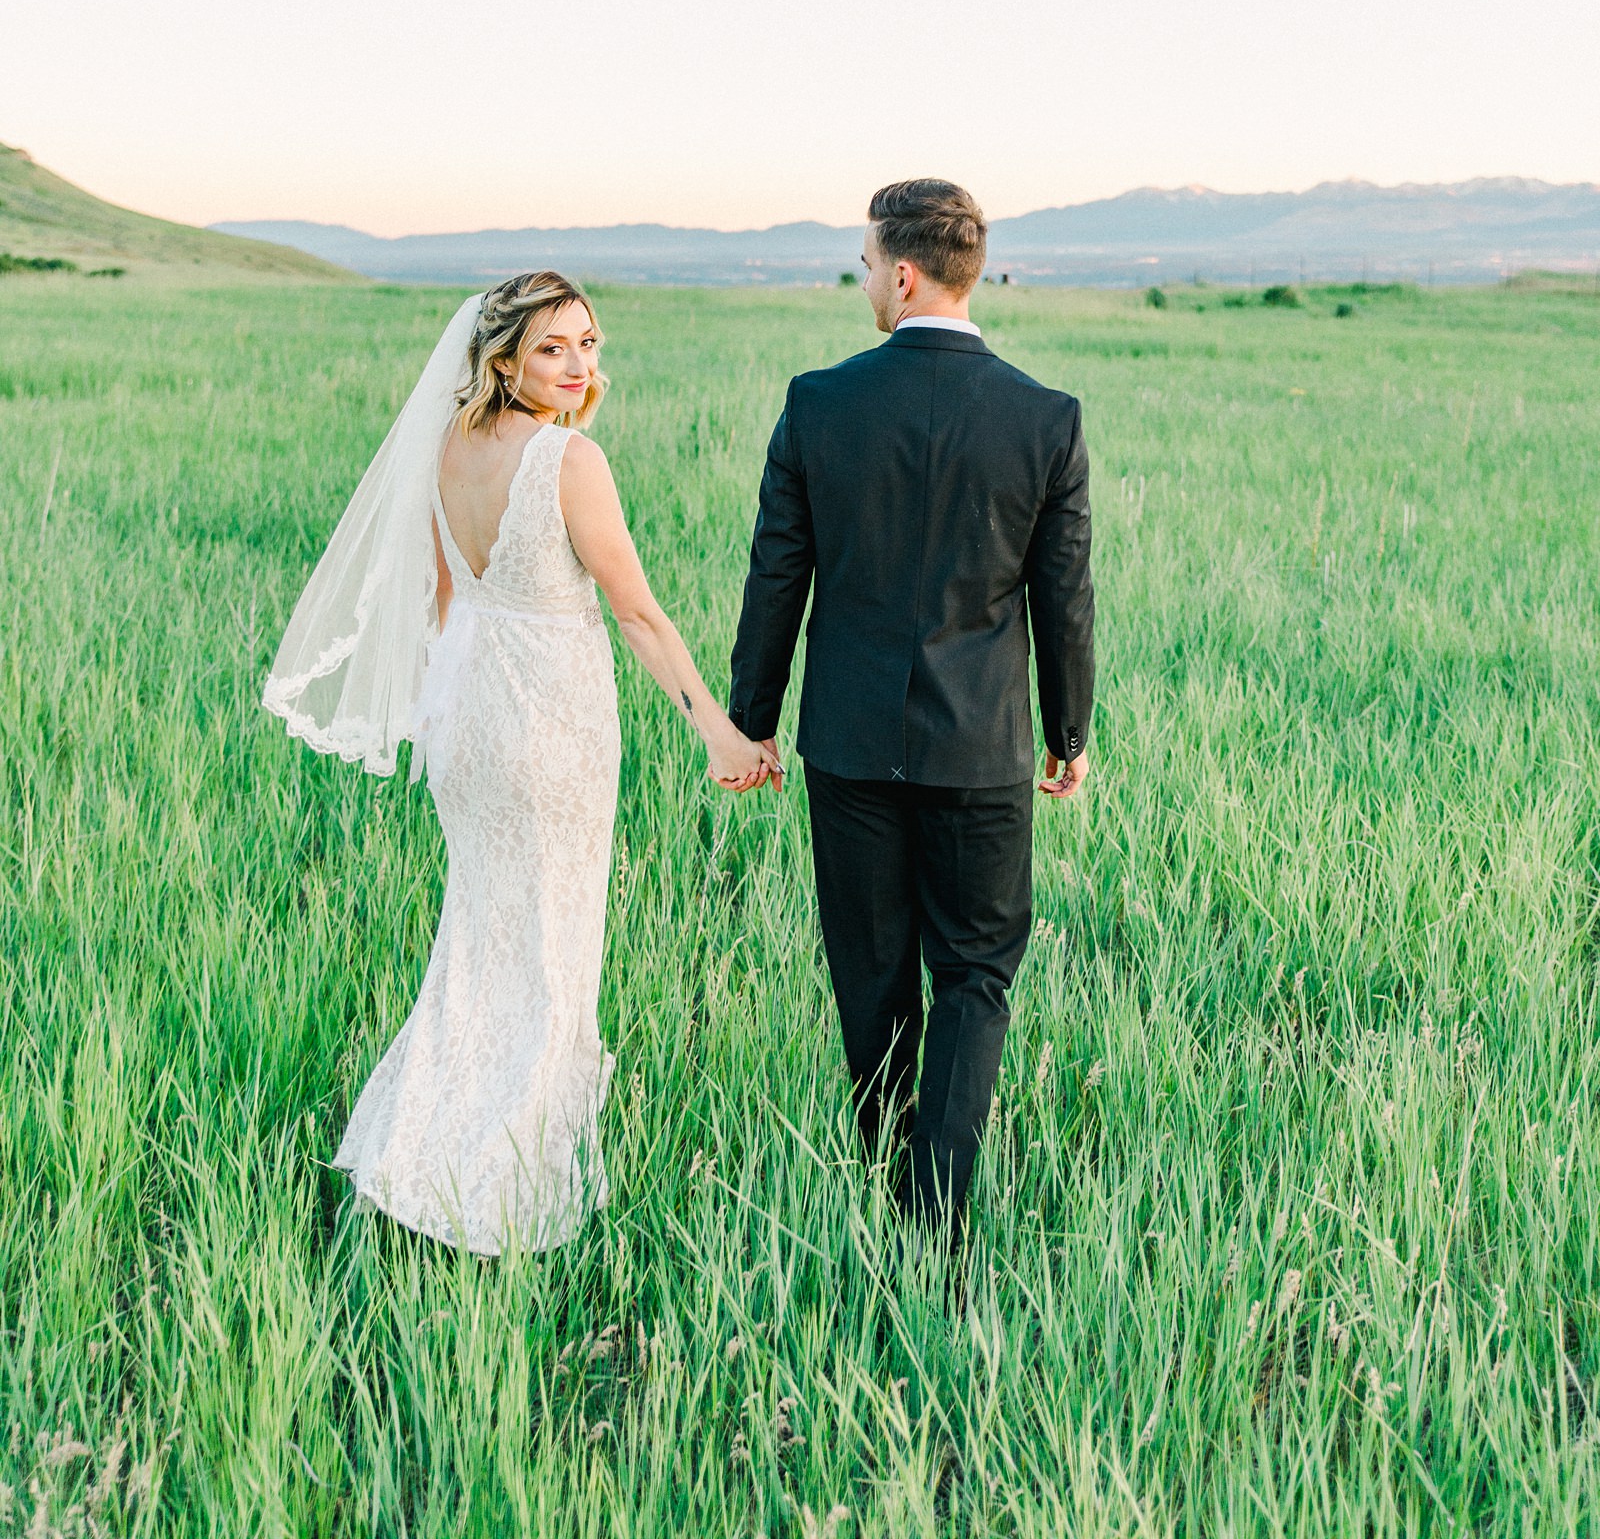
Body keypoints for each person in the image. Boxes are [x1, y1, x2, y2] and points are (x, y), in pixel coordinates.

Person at [265, 273, 777, 1254]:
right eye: (554, 349)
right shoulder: (570, 462)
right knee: (550, 954)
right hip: (552, 725)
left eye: (588, 342)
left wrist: (452, 707)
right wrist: (716, 729)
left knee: (477, 944)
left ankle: (411, 1158)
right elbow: (636, 614)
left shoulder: (446, 443)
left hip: (467, 716)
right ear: (503, 360)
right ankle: (501, 1198)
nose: (581, 364)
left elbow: (443, 594)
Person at [729, 179, 1094, 1232]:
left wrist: (755, 719)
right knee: (975, 976)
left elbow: (775, 578)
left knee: (873, 978)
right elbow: (1062, 598)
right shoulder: (1045, 419)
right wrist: (1068, 733)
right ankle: (938, 1213)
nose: (862, 283)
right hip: (982, 751)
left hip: (846, 747)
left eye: (861, 265)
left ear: (900, 270)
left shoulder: (818, 404)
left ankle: (886, 1189)